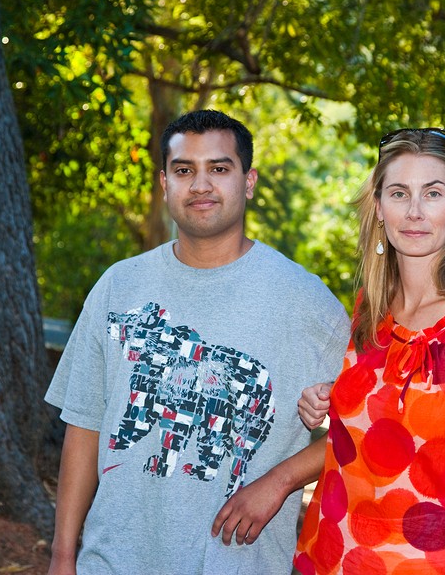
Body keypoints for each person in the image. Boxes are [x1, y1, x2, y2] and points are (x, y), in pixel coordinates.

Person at [44, 109, 351, 575]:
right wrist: (62, 555)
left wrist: (280, 481)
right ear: (164, 183)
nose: (201, 185)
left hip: (237, 563)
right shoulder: (119, 287)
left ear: (248, 182)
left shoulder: (306, 303)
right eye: (184, 170)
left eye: (219, 168)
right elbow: (84, 425)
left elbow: (366, 426)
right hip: (112, 562)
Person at [292, 128, 445, 575]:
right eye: (399, 193)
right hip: (333, 557)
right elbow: (371, 433)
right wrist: (327, 401)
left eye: (433, 193)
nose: (415, 211)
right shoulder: (370, 312)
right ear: (379, 208)